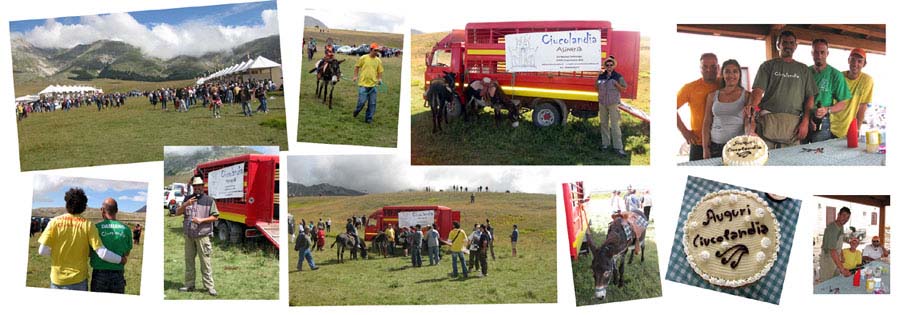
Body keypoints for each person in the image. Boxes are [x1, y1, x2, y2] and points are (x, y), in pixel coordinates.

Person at [38, 188, 125, 290]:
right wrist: (121, 259)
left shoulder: (54, 222)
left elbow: (42, 251)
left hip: (57, 279)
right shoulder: (88, 225)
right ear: (84, 207)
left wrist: (60, 252)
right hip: (78, 280)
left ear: (67, 204)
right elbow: (102, 253)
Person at [747, 30, 818, 149]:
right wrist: (752, 113)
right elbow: (757, 92)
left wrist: (805, 122)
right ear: (778, 45)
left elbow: (810, 98)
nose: (788, 46)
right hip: (768, 122)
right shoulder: (767, 66)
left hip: (793, 126)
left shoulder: (804, 69)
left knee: (791, 161)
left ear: (796, 46)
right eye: (784, 43)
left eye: (791, 43)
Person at [176, 177, 219, 296]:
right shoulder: (187, 198)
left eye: (199, 186)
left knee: (205, 262)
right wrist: (185, 204)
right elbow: (177, 213)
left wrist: (201, 220)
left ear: (203, 186)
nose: (197, 188)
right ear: (193, 187)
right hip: (189, 236)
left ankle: (209, 287)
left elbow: (215, 216)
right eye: (195, 186)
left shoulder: (209, 200)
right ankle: (189, 285)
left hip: (203, 236)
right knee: (189, 261)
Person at [701, 59, 750, 159]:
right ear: (722, 74)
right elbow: (706, 123)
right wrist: (705, 149)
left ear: (740, 74)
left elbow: (749, 120)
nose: (731, 75)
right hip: (715, 146)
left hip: (738, 147)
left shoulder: (747, 96)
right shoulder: (712, 96)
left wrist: (749, 139)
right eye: (727, 71)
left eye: (735, 71)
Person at [677, 53, 720, 161]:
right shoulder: (690, 88)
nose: (709, 70)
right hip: (698, 143)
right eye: (705, 66)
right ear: (700, 68)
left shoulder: (725, 84)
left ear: (718, 67)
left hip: (722, 143)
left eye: (713, 66)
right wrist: (684, 131)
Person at [808, 39, 852, 143]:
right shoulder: (805, 72)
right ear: (812, 53)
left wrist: (826, 110)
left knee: (820, 154)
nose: (819, 56)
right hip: (803, 119)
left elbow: (843, 103)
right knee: (798, 153)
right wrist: (805, 118)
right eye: (816, 52)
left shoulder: (835, 74)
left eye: (822, 52)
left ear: (827, 53)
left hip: (822, 120)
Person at [90, 198, 133, 294]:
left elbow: (90, 252)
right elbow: (127, 252)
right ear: (117, 210)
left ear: (102, 210)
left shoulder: (96, 228)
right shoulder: (126, 229)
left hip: (99, 274)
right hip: (118, 274)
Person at [831, 48, 874, 139]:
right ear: (848, 60)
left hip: (851, 129)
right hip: (831, 127)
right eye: (853, 60)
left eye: (859, 61)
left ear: (864, 64)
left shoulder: (867, 80)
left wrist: (857, 129)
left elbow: (862, 106)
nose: (855, 64)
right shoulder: (838, 76)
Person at [596, 56, 628, 156]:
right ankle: (605, 144)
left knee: (615, 125)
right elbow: (596, 87)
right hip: (602, 103)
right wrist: (597, 77)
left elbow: (624, 89)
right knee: (604, 124)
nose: (609, 66)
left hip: (613, 104)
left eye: (611, 65)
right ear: (605, 66)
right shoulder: (601, 76)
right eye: (607, 65)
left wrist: (616, 85)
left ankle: (618, 148)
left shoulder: (618, 76)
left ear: (613, 66)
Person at [352, 43, 385, 123]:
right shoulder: (363, 58)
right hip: (363, 84)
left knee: (372, 103)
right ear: (370, 50)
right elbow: (357, 67)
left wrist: (380, 79)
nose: (376, 52)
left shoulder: (378, 60)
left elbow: (380, 71)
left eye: (377, 51)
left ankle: (368, 119)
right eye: (375, 50)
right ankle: (356, 111)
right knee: (362, 102)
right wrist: (355, 76)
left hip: (373, 85)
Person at [818, 207, 852, 282]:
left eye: (847, 218)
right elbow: (832, 251)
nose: (845, 219)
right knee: (826, 284)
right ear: (838, 215)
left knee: (835, 281)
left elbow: (838, 243)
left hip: (836, 258)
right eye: (843, 215)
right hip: (828, 260)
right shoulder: (832, 228)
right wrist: (842, 270)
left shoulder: (841, 226)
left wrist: (842, 255)